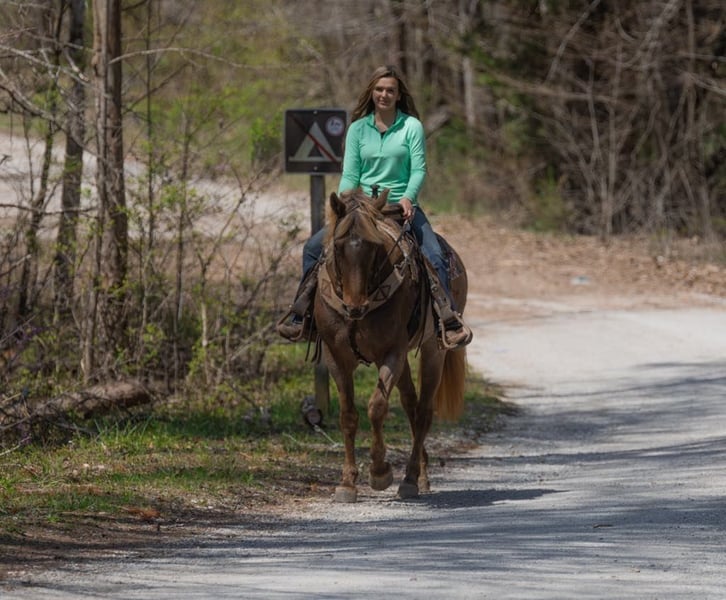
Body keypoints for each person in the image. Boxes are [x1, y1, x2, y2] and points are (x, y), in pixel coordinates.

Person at [277, 65, 472, 349]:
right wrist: (346, 201)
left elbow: (418, 169)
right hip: (363, 209)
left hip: (400, 208)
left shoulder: (411, 127)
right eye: (379, 89)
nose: (384, 95)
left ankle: (447, 319)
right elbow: (350, 174)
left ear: (398, 94)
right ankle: (302, 315)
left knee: (434, 253)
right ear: (371, 93)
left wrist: (408, 197)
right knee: (313, 248)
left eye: (390, 90)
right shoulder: (358, 129)